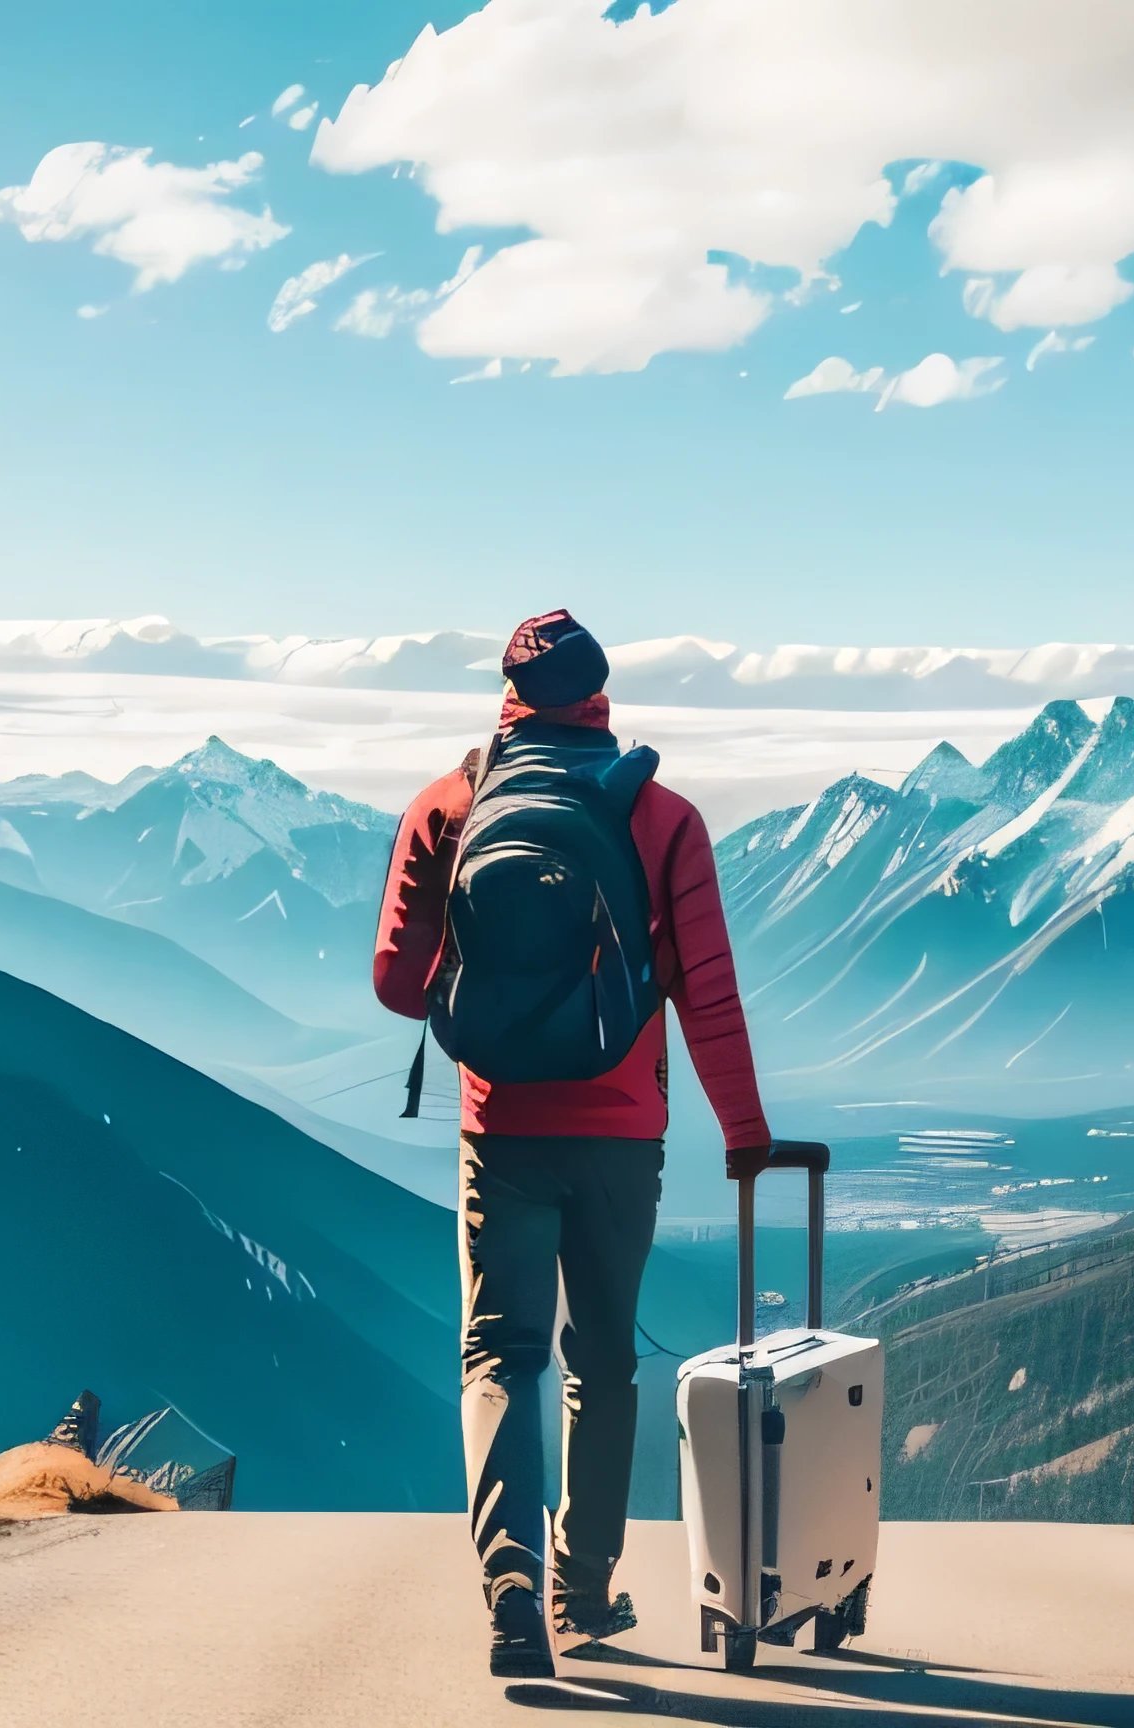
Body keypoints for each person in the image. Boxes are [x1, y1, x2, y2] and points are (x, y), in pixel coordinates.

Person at [373, 608, 776, 1680]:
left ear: (506, 696)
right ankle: (583, 1586)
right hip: (618, 1139)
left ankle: (507, 1580)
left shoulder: (451, 806)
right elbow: (710, 996)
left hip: (499, 1129)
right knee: (603, 1362)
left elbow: (396, 982)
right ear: (601, 697)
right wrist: (745, 1131)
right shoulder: (664, 817)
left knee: (499, 1355)